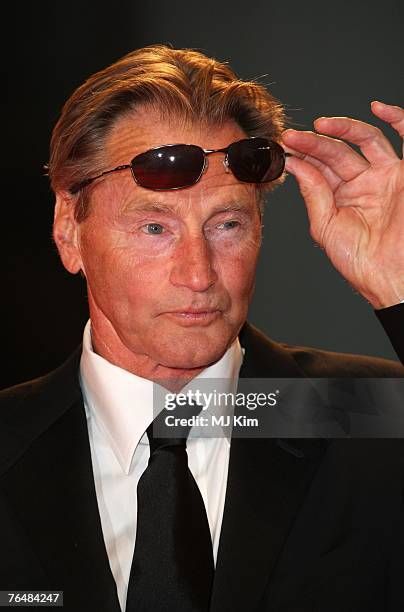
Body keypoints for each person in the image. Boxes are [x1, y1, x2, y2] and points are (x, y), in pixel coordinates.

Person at [0, 45, 403, 612]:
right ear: (69, 231)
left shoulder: (372, 418)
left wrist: (400, 288)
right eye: (154, 227)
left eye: (228, 224)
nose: (198, 273)